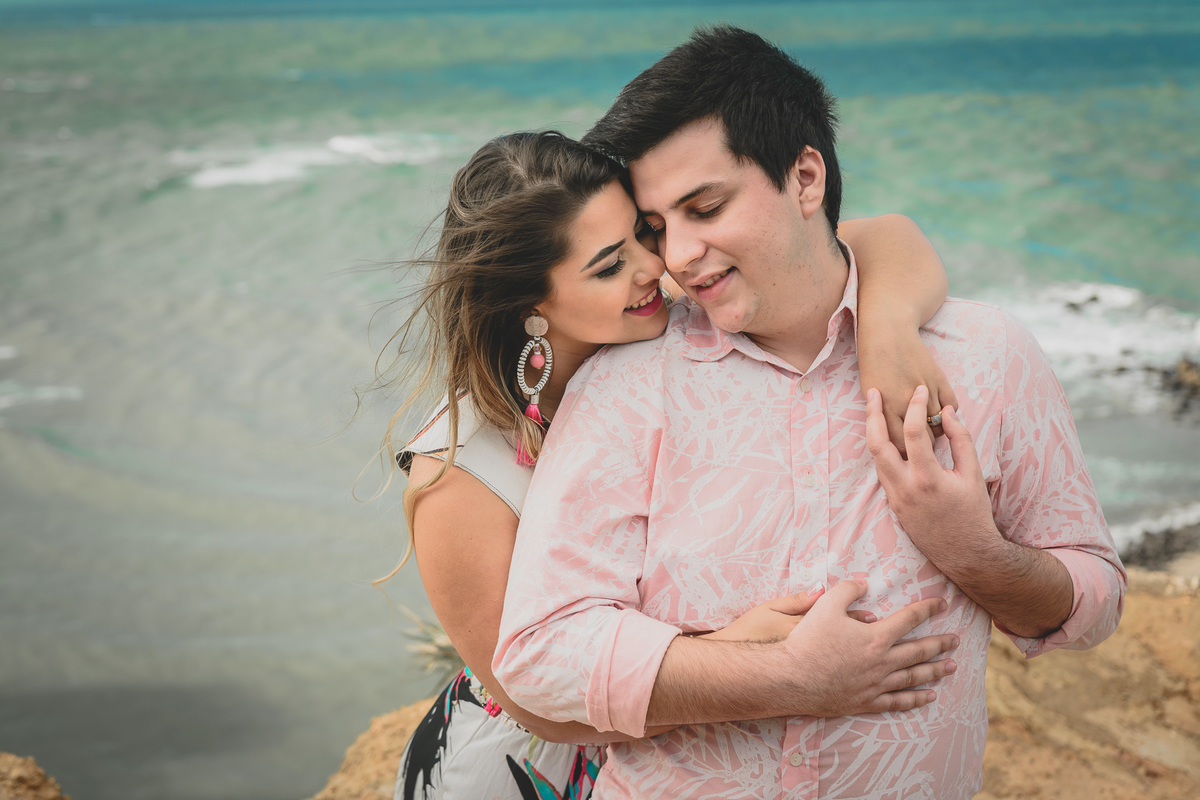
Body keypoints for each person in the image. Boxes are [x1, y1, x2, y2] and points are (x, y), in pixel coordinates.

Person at [493, 27, 1126, 799]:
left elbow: (1095, 598)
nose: (679, 257)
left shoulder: (987, 355)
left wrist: (975, 553)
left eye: (706, 206)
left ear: (804, 176)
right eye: (658, 227)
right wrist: (777, 678)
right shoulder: (625, 383)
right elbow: (539, 655)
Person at [380, 130, 963, 800]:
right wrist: (738, 657)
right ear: (529, 305)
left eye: (644, 234)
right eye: (606, 266)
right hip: (531, 771)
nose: (655, 269)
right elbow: (537, 704)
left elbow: (886, 237)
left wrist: (886, 330)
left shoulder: (677, 319)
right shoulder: (460, 475)